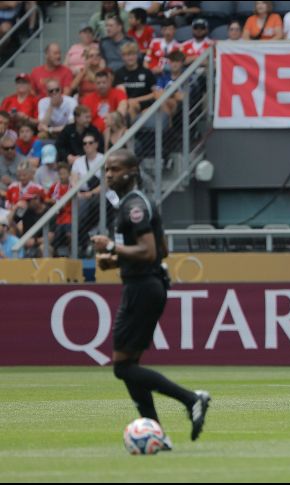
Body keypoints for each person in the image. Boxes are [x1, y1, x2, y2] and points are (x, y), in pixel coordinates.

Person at [91, 149, 211, 446]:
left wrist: (112, 248)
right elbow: (162, 251)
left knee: (123, 366)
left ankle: (191, 399)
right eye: (106, 170)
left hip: (143, 287)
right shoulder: (132, 204)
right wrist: (114, 260)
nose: (108, 175)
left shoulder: (135, 205)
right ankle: (158, 433)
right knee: (128, 365)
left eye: (115, 170)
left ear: (131, 172)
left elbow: (149, 252)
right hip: (141, 283)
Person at [114, 42, 159, 121]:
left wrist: (136, 100)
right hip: (127, 104)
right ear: (122, 57)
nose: (130, 58)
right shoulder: (119, 73)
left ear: (137, 55)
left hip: (145, 103)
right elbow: (121, 94)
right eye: (127, 55)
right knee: (131, 105)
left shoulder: (147, 72)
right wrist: (131, 101)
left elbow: (155, 93)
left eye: (132, 54)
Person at [47, 162, 73, 257]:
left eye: (64, 173)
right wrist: (53, 202)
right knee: (56, 238)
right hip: (57, 217)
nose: (62, 176)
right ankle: (56, 255)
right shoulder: (54, 187)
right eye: (60, 174)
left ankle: (72, 253)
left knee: (70, 235)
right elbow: (46, 198)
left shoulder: (73, 186)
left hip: (69, 216)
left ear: (69, 174)